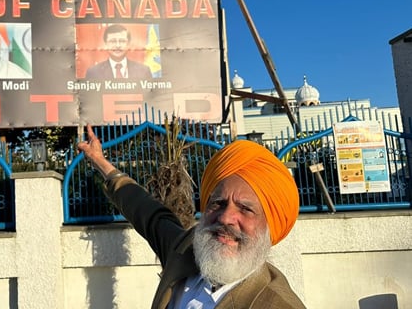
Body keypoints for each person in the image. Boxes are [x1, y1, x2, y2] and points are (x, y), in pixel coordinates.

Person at [77, 125, 306, 309]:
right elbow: (146, 211)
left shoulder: (277, 304)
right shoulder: (185, 253)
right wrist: (100, 161)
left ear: (270, 225)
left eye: (245, 209)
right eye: (218, 203)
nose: (226, 218)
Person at [84, 24, 153, 80]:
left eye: (122, 41)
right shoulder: (93, 72)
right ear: (105, 44)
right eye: (113, 41)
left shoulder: (143, 71)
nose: (117, 45)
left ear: (128, 44)